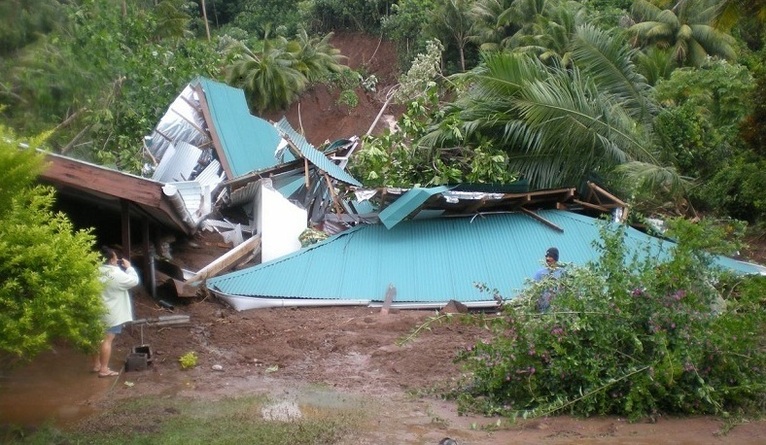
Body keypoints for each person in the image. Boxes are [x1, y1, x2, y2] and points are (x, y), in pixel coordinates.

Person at [92, 246, 140, 377]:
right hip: (111, 313)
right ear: (111, 260)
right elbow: (134, 281)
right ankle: (104, 369)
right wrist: (129, 267)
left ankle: (96, 365)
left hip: (95, 311)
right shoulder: (116, 274)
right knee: (107, 339)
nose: (117, 259)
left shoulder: (93, 271)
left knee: (95, 339)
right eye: (115, 257)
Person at [533, 247, 563, 312]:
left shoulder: (562, 272)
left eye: (550, 256)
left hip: (558, 308)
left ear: (555, 258)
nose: (547, 259)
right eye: (547, 256)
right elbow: (534, 290)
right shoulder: (540, 273)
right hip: (542, 309)